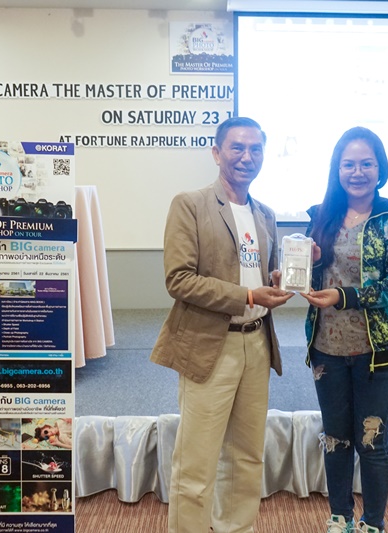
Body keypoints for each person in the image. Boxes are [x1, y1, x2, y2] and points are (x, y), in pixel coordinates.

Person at [150, 116, 294, 533]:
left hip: (257, 343)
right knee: (196, 461)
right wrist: (248, 296)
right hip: (210, 344)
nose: (247, 157)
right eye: (237, 147)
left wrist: (277, 283)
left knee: (247, 456)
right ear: (217, 153)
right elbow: (179, 279)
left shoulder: (265, 214)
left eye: (255, 149)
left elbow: (262, 276)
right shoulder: (190, 204)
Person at [301, 127, 388, 533]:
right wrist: (304, 268)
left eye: (366, 163)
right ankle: (340, 517)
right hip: (326, 347)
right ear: (337, 170)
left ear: (380, 168)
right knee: (335, 438)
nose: (357, 172)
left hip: (378, 352)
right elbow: (310, 277)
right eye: (348, 164)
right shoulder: (321, 215)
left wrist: (343, 296)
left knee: (371, 441)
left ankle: (372, 523)